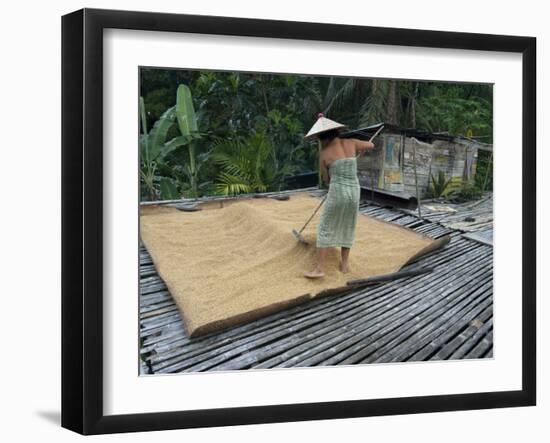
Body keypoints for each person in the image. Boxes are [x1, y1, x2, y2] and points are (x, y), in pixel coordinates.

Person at [303, 115, 374, 279]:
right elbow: (371, 144)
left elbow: (327, 180)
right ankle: (344, 265)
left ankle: (320, 268)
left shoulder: (324, 154)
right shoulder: (352, 142)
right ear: (336, 131)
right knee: (348, 225)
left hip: (338, 191)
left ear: (321, 138)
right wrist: (358, 149)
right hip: (354, 192)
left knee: (325, 226)